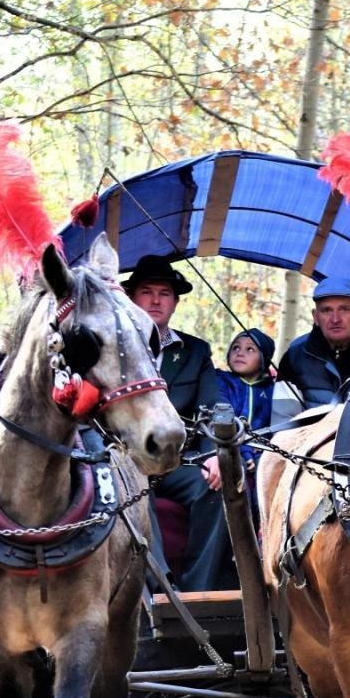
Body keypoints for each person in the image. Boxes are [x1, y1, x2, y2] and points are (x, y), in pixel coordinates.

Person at [122, 254, 226, 592]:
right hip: (128, 461)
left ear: (175, 302)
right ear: (130, 297)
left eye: (164, 293)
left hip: (180, 460)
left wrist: (213, 454)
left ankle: (199, 593)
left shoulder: (195, 352)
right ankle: (162, 591)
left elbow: (211, 408)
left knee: (216, 489)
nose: (155, 300)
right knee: (136, 491)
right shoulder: (115, 349)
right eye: (147, 292)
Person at [277, 277, 350, 408]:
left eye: (344, 309)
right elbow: (283, 418)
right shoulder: (294, 356)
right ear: (315, 317)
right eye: (326, 310)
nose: (335, 319)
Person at [215, 328, 276, 520]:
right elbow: (226, 420)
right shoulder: (221, 381)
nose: (240, 353)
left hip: (262, 451)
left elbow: (275, 426)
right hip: (230, 446)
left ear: (264, 360)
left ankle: (264, 531)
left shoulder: (272, 389)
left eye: (250, 350)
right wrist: (245, 451)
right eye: (235, 348)